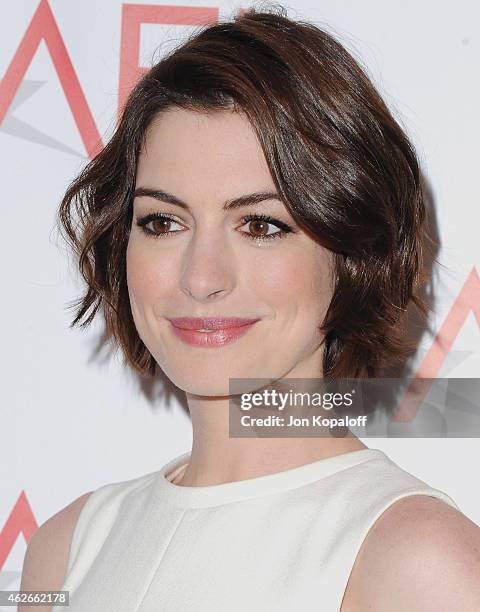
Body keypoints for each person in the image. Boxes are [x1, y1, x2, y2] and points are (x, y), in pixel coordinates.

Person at [19, 6, 480, 611]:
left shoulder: (416, 561)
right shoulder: (65, 548)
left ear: (350, 251)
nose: (201, 277)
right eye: (162, 221)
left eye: (260, 225)